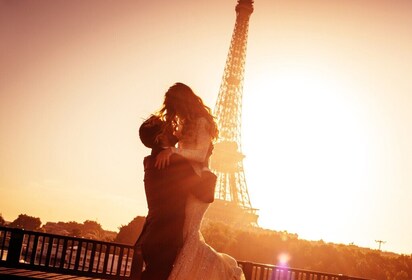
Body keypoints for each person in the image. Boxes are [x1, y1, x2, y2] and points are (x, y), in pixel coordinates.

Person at [154, 82, 245, 280]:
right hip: (189, 184)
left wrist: (174, 150)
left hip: (198, 185)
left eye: (175, 105)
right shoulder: (188, 123)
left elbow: (200, 153)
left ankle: (228, 274)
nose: (174, 111)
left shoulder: (202, 122)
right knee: (187, 237)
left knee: (189, 236)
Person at [136, 115, 217, 280]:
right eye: (167, 125)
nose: (173, 127)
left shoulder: (151, 161)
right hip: (165, 239)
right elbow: (206, 194)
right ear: (160, 136)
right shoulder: (173, 161)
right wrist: (206, 161)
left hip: (153, 234)